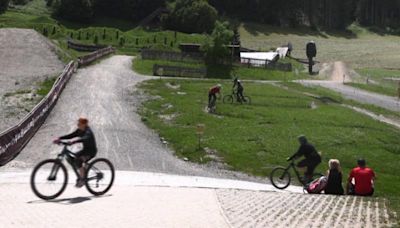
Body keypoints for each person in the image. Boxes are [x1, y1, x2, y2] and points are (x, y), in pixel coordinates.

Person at [53, 118, 97, 188]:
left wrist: (74, 141)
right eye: (78, 123)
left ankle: (82, 180)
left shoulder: (88, 132)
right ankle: (83, 170)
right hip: (85, 150)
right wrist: (59, 138)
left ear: (84, 124)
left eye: (79, 123)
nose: (78, 125)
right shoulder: (80, 130)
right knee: (71, 158)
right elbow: (71, 135)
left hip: (91, 152)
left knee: (79, 161)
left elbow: (84, 138)